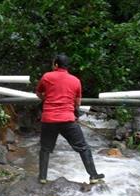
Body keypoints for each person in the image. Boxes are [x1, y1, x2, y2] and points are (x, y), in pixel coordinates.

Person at [36, 54, 104, 184]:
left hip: (49, 118)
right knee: (83, 147)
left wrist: (48, 99)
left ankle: (42, 177)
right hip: (67, 119)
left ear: (56, 64)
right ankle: (93, 176)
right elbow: (77, 103)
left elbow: (38, 93)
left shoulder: (47, 77)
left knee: (45, 149)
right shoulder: (75, 80)